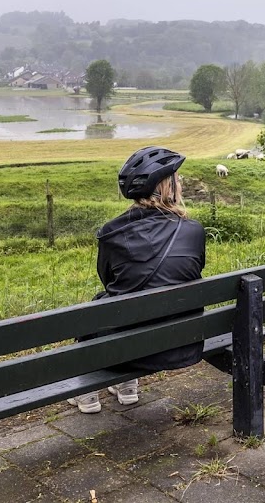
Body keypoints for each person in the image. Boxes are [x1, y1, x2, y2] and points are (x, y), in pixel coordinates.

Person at [71, 146, 206, 413]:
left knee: (98, 309)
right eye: (177, 179)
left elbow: (109, 282)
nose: (181, 183)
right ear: (165, 187)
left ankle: (87, 393)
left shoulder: (111, 233)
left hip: (128, 348)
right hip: (182, 344)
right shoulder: (194, 231)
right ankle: (128, 387)